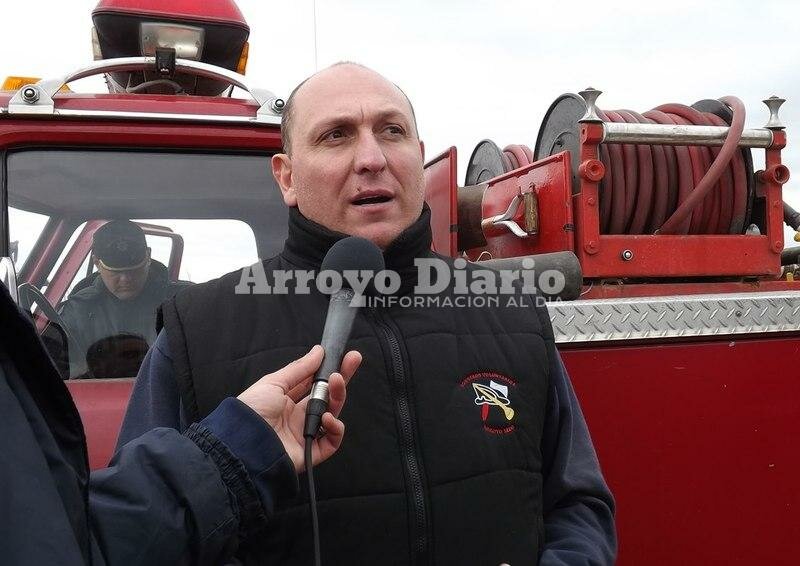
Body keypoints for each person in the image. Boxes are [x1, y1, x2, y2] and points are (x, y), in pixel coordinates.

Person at [118, 62, 617, 564]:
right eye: (336, 136)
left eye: (391, 131)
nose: (372, 158)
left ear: (418, 160)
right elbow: (147, 538)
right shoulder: (196, 333)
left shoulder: (510, 308)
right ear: (287, 177)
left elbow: (578, 504)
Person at [0, 280, 361, 566]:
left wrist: (239, 449)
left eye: (131, 264)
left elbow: (77, 542)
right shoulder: (187, 323)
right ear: (286, 182)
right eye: (115, 265)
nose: (124, 277)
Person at [59, 220, 189, 377]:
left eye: (134, 271)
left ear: (148, 255)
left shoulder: (183, 303)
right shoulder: (77, 310)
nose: (125, 279)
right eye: (115, 272)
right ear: (96, 263)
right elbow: (61, 371)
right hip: (96, 398)